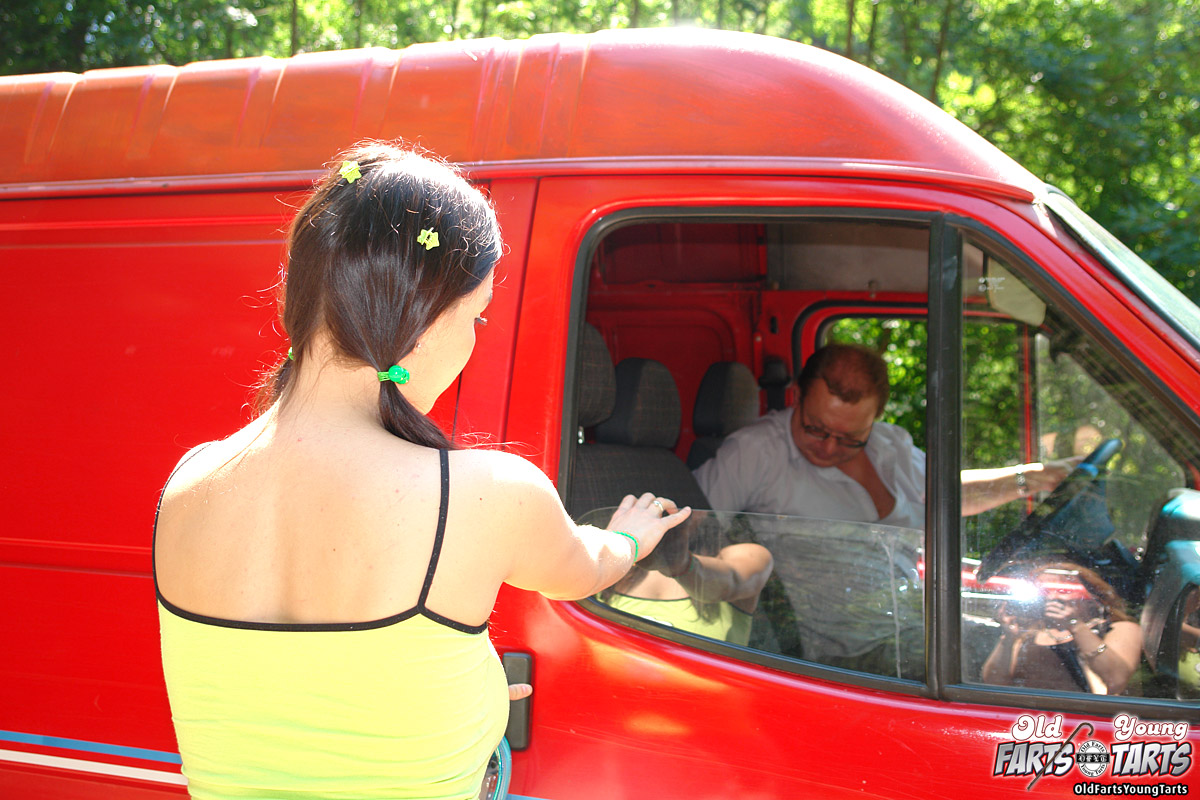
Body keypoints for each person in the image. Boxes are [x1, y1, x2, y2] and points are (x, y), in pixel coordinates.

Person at [153, 143, 690, 800]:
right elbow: (585, 568)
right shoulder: (486, 493)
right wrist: (631, 535)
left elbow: (287, 705)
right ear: (423, 323)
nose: (473, 339)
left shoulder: (189, 483)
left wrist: (448, 700)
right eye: (476, 315)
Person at [694, 343, 1076, 527]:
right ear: (797, 396)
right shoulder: (754, 452)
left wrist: (1031, 478)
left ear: (875, 420)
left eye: (850, 437)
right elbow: (694, 530)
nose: (828, 448)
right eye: (816, 428)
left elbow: (945, 495)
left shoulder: (890, 444)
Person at [597, 514, 774, 646]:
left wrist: (680, 564)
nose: (674, 509)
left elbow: (732, 581)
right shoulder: (617, 561)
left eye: (686, 503)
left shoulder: (748, 555)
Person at [980, 561, 1141, 695]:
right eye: (1044, 592)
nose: (1052, 597)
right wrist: (1009, 637)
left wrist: (1075, 625)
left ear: (1091, 597)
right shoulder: (1028, 634)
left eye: (1062, 590)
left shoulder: (1118, 629)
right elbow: (993, 683)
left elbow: (1115, 680)